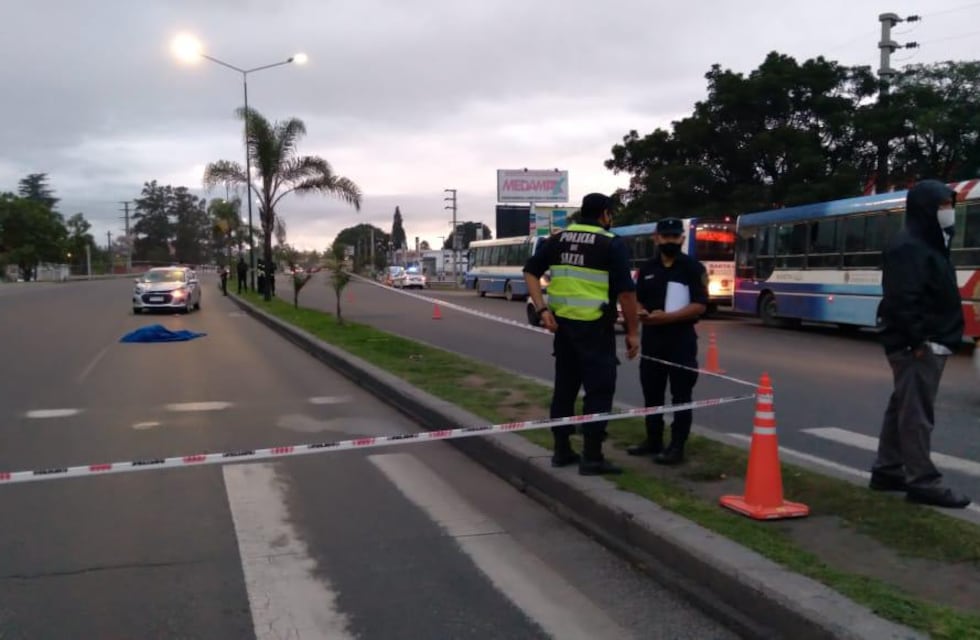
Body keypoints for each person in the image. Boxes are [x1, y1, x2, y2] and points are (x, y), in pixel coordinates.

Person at [870, 179, 971, 508]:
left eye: (949, 206)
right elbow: (903, 299)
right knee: (917, 413)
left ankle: (888, 470)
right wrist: (918, 342)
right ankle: (922, 481)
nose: (948, 212)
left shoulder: (927, 242)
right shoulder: (910, 246)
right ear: (927, 208)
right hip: (920, 342)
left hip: (926, 339)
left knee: (903, 404)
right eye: (943, 206)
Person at [524, 193, 640, 475]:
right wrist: (633, 332)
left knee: (565, 389)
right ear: (605, 214)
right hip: (595, 329)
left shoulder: (557, 239)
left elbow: (530, 272)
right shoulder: (611, 243)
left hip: (563, 328)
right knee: (599, 391)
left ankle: (561, 451)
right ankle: (592, 457)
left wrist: (542, 310)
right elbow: (625, 293)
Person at [626, 218, 708, 465]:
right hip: (653, 341)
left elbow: (699, 305)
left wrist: (668, 317)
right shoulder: (648, 268)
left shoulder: (693, 268)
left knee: (681, 396)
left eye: (674, 237)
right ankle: (653, 440)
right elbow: (637, 298)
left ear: (681, 239)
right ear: (656, 238)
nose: (669, 241)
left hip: (680, 341)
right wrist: (640, 312)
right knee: (652, 395)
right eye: (665, 237)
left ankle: (676, 446)